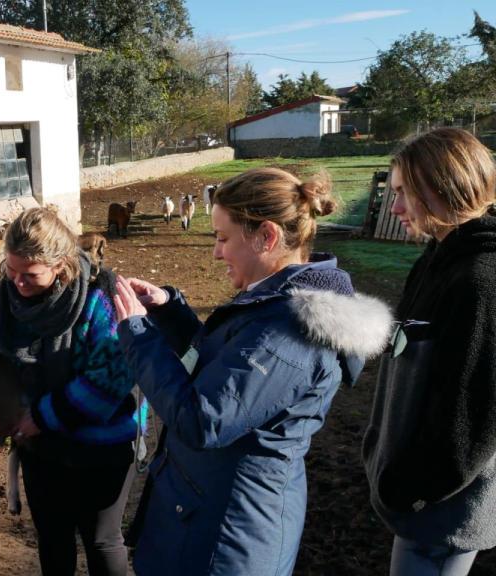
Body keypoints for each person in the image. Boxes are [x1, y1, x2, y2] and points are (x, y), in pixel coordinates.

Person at [113, 168, 391, 575]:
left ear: (267, 236)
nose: (216, 253)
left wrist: (138, 337)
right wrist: (170, 314)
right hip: (206, 517)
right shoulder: (269, 307)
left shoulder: (287, 331)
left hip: (224, 541)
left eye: (224, 239)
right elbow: (224, 370)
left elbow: (204, 418)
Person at [0, 206, 137, 576]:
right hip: (40, 447)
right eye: (10, 270)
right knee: (52, 538)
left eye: (30, 275)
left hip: (100, 445)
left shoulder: (98, 301)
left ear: (61, 266)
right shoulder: (3, 304)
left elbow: (112, 379)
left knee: (102, 541)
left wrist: (42, 415)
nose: (17, 282)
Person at [363, 128, 496, 575]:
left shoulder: (481, 280)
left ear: (440, 188)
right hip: (422, 503)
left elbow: (475, 412)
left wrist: (413, 489)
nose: (394, 206)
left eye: (403, 193)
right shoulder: (436, 259)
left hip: (443, 511)